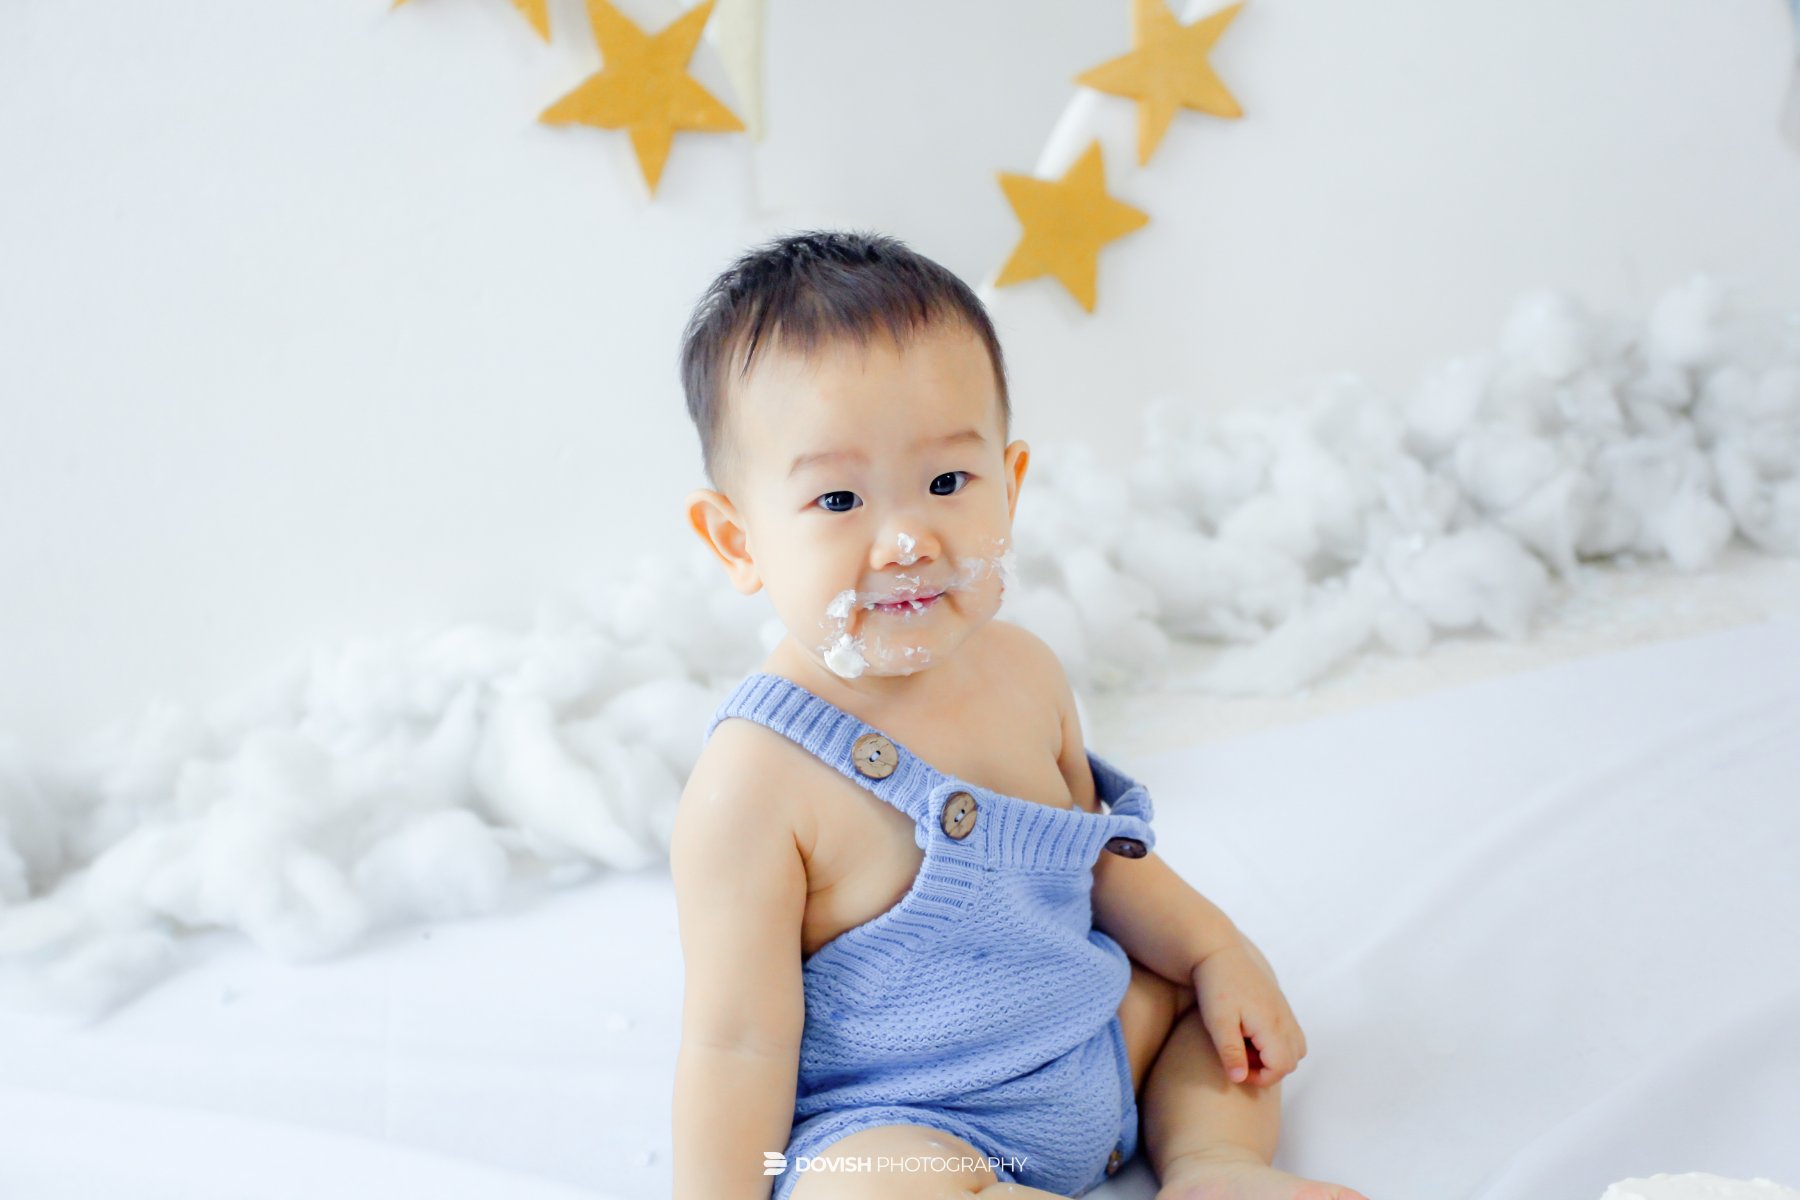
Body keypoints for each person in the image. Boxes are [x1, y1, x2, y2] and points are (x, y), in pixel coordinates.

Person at [670, 229, 1368, 1200]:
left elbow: (1096, 859)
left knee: (1202, 1010)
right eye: (838, 500)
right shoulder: (754, 781)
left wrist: (1217, 952)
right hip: (913, 1123)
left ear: (1012, 484)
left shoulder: (1025, 672)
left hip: (1093, 1049)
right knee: (858, 1188)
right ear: (737, 540)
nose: (908, 540)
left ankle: (1211, 1165)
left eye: (946, 483)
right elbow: (736, 1043)